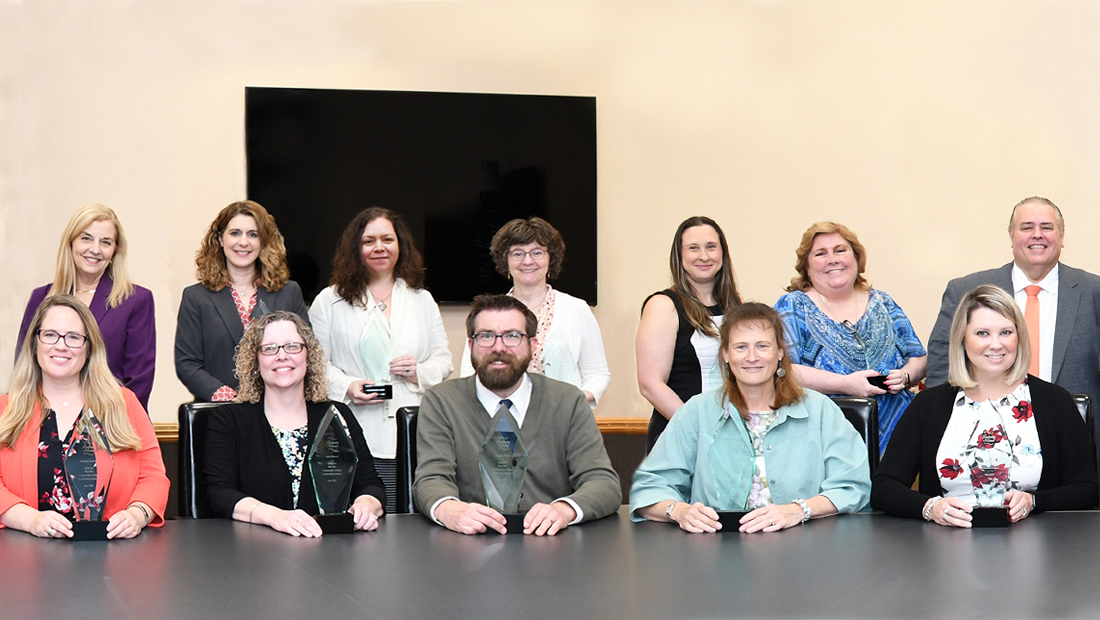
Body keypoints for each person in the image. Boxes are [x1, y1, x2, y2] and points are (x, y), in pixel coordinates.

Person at [630, 302, 871, 533]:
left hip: (807, 546)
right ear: (725, 354)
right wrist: (680, 511)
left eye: (762, 346)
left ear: (779, 352)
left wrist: (799, 510)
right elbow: (649, 488)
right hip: (718, 551)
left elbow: (853, 485)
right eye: (740, 347)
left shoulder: (820, 410)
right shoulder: (697, 412)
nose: (752, 357)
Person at [872, 285, 1098, 527]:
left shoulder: (1056, 401)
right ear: (962, 338)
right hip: (944, 550)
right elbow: (884, 488)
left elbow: (1086, 489)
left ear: (1019, 336)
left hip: (1036, 548)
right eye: (982, 333)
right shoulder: (928, 404)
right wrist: (930, 507)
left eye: (1005, 332)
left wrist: (1035, 501)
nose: (996, 344)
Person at [413, 294, 621, 536]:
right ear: (470, 345)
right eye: (486, 336)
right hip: (469, 544)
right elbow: (431, 479)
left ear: (532, 344)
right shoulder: (441, 401)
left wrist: (564, 510)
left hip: (551, 547)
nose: (499, 347)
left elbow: (603, 483)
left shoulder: (568, 400)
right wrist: (449, 509)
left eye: (512, 336)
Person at [309, 207, 452, 513]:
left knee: (409, 516)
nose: (379, 248)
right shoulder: (329, 301)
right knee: (362, 517)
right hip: (355, 427)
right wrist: (347, 386)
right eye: (369, 241)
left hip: (412, 426)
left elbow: (444, 360)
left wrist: (418, 371)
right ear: (355, 249)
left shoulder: (421, 299)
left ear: (400, 245)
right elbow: (315, 364)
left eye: (387, 239)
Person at [0, 295, 169, 539]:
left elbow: (153, 476)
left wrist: (136, 514)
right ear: (34, 343)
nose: (61, 345)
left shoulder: (124, 404)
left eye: (73, 337)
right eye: (50, 334)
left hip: (114, 557)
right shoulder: (6, 409)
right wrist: (30, 520)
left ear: (89, 347)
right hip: (26, 557)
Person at [204, 311, 385, 537]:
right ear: (255, 362)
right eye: (269, 348)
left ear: (308, 358)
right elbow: (219, 493)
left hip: (331, 552)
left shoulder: (337, 414)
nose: (282, 356)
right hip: (254, 553)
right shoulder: (228, 420)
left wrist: (366, 506)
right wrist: (276, 517)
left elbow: (371, 484)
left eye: (292, 346)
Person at [926, 196, 1100, 407]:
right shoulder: (965, 291)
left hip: (1072, 431)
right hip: (986, 429)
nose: (1037, 235)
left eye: (1046, 227)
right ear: (1011, 236)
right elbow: (942, 367)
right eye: (1027, 228)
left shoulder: (1093, 292)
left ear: (1062, 236)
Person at [774, 222, 926, 452]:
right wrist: (845, 384)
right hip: (825, 436)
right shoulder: (793, 307)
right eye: (821, 253)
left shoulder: (883, 302)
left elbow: (920, 358)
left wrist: (905, 376)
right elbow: (783, 369)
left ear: (856, 257)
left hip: (901, 435)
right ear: (806, 265)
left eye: (840, 250)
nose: (832, 259)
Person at [459, 217, 610, 406]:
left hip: (561, 421)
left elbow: (598, 374)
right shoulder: (488, 313)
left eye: (537, 252)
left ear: (551, 258)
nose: (528, 261)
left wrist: (573, 402)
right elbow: (468, 374)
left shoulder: (576, 309)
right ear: (505, 260)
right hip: (500, 418)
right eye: (518, 253)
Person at [17, 204, 156, 410]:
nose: (95, 249)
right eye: (86, 238)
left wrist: (102, 423)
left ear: (115, 250)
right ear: (71, 242)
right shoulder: (41, 298)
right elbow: (25, 366)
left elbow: (139, 380)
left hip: (112, 424)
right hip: (45, 423)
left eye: (106, 242)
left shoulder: (136, 300)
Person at [175, 200, 310, 402]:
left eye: (253, 234)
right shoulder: (196, 298)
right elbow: (187, 363)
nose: (244, 242)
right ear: (220, 239)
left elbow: (305, 351)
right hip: (220, 413)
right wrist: (227, 396)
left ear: (263, 241)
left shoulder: (288, 292)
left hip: (280, 409)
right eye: (235, 233)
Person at [637, 216, 741, 450]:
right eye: (693, 248)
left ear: (722, 254)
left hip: (733, 436)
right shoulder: (663, 305)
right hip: (683, 437)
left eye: (711, 247)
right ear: (680, 256)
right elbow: (650, 384)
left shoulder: (737, 307)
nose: (704, 256)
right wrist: (699, 429)